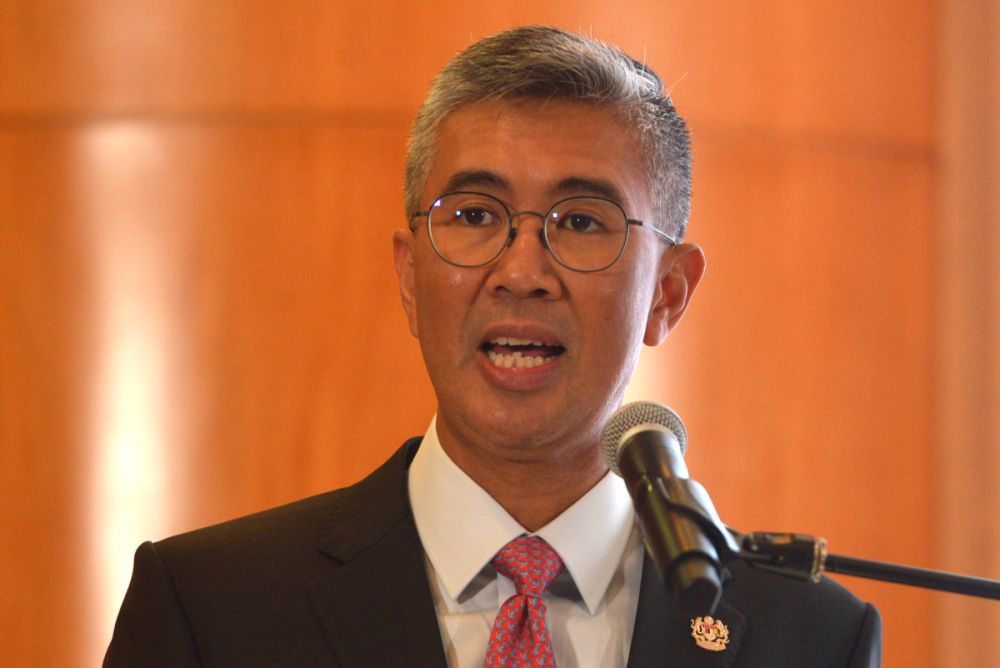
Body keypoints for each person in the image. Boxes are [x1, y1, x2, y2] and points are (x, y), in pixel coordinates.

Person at [105, 26, 881, 667]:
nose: (520, 272)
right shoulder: (212, 610)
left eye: (580, 222)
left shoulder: (809, 639)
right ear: (410, 278)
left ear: (668, 293)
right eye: (475, 216)